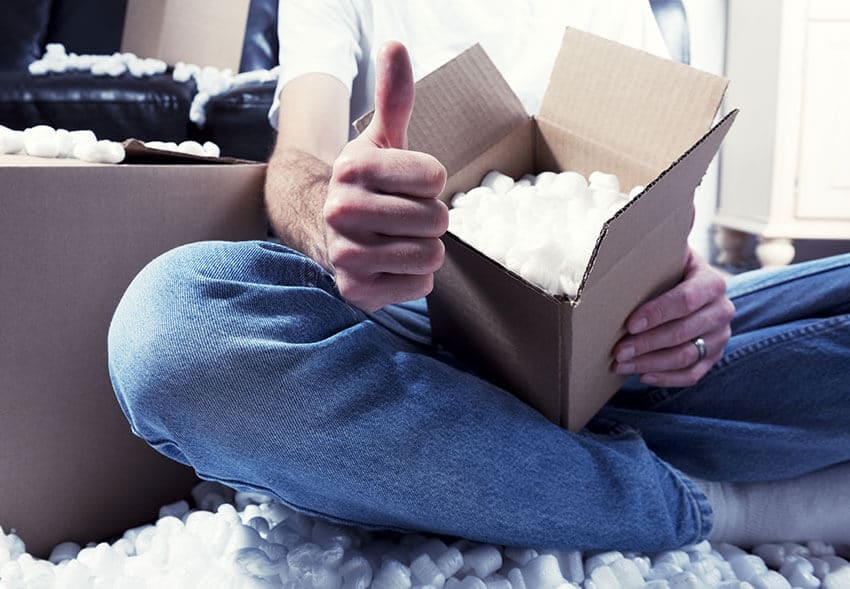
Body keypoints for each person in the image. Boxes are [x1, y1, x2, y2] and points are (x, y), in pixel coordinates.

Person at [108, 0, 850, 551]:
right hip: (401, 338)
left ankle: (480, 464)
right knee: (176, 331)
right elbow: (298, 159)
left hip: (612, 358)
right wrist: (331, 222)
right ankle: (723, 504)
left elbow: (659, 212)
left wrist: (694, 298)